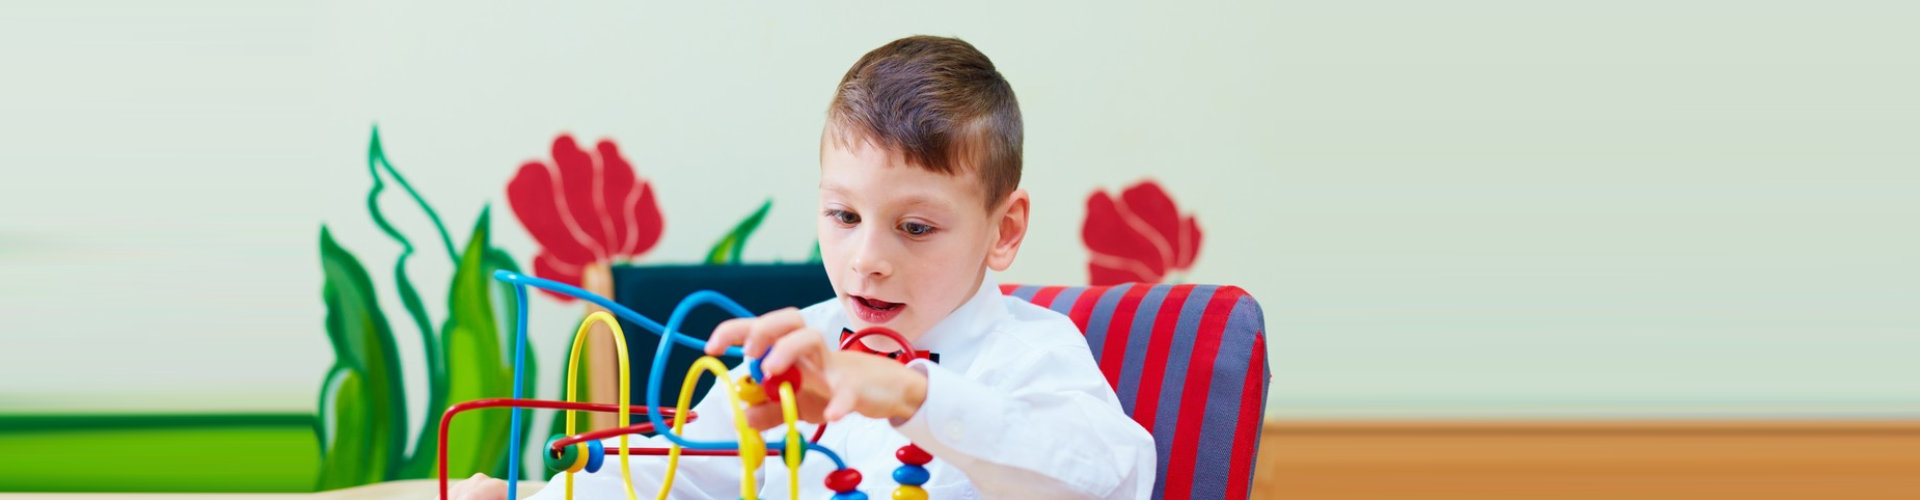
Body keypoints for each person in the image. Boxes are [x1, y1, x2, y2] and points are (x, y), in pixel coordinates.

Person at [451, 35, 1154, 500]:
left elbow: (1112, 476)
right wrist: (539, 497)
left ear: (1005, 231)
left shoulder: (1033, 355)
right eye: (843, 217)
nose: (866, 260)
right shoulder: (802, 349)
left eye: (915, 227)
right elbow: (681, 468)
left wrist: (907, 392)